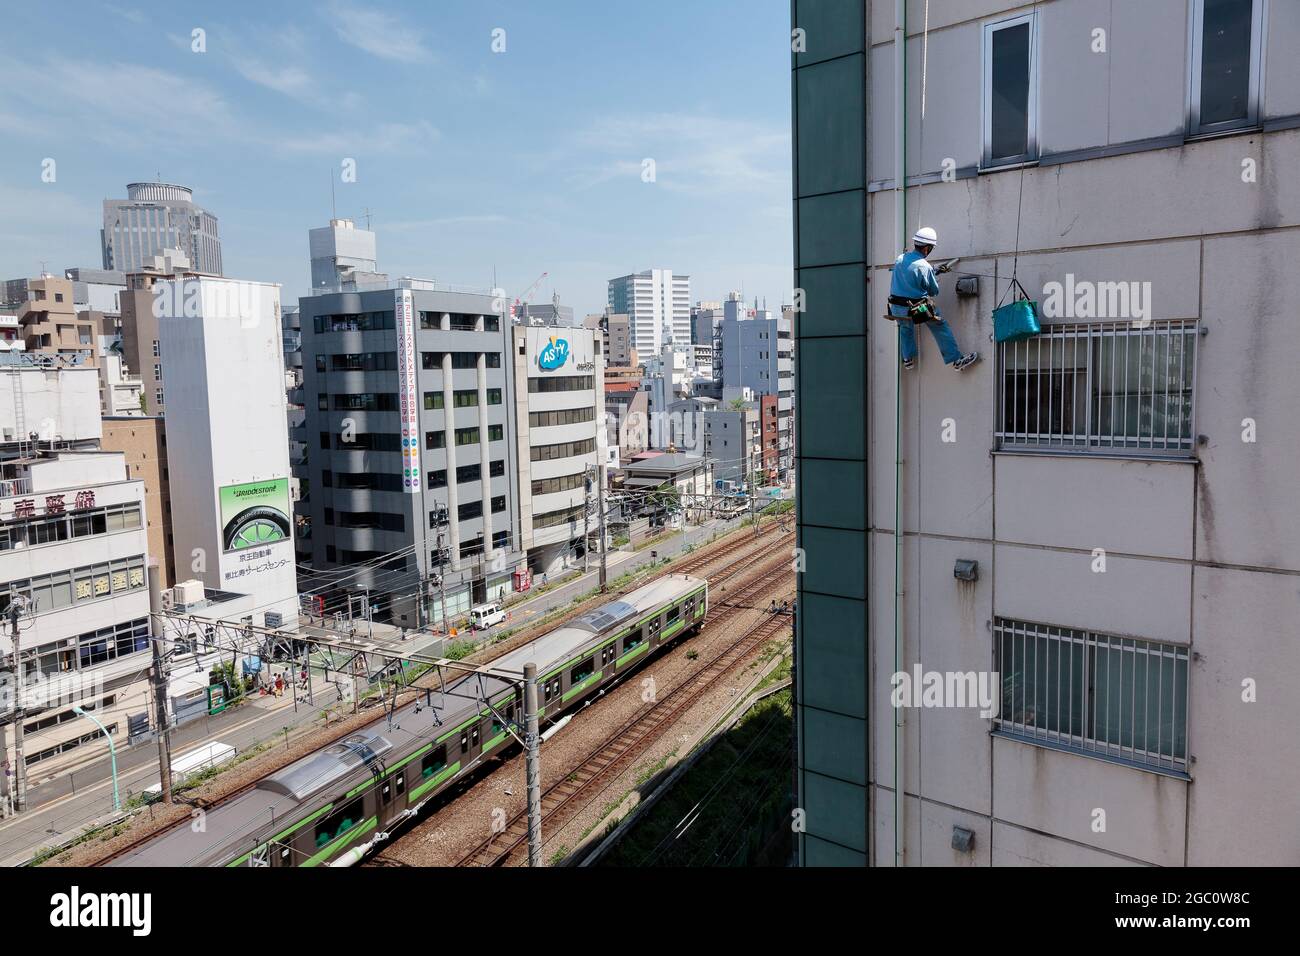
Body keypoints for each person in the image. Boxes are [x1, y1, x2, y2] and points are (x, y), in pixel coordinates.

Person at [888, 226, 980, 371]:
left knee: (905, 327)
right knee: (939, 325)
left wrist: (933, 270)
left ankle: (907, 359)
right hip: (916, 308)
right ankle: (956, 360)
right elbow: (933, 290)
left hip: (896, 307)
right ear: (927, 248)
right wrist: (933, 273)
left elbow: (909, 274)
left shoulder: (900, 258)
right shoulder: (925, 267)